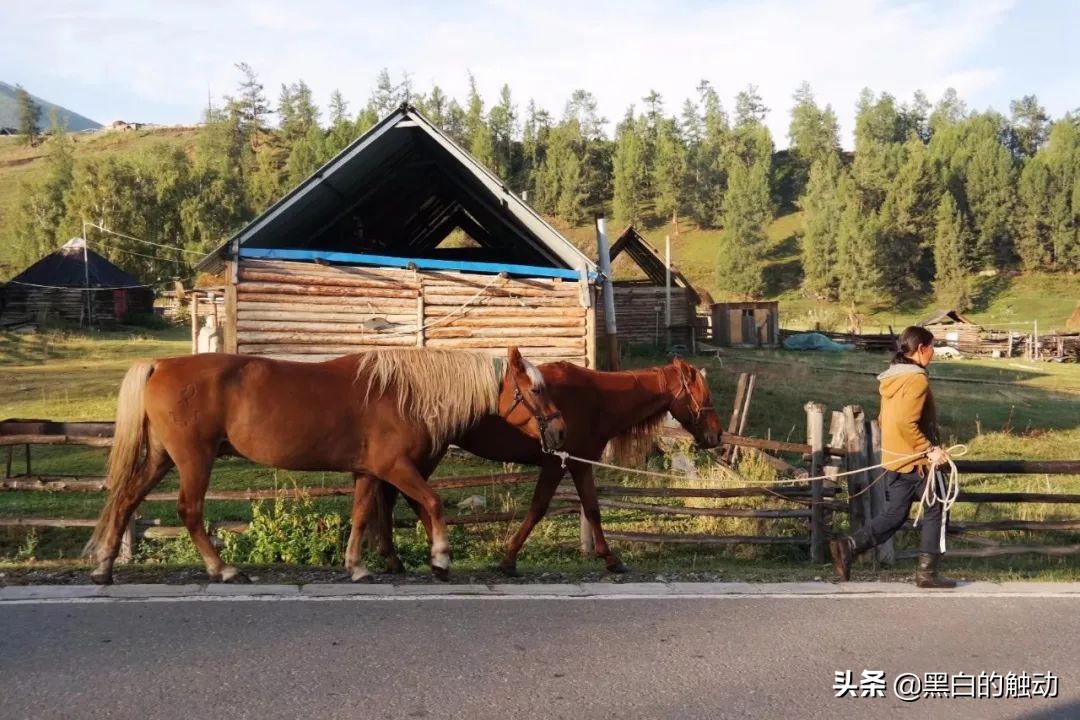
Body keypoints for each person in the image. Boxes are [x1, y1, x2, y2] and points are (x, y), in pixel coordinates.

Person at [830, 326, 956, 588]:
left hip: (897, 462)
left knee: (894, 516)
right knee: (938, 507)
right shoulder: (917, 379)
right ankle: (927, 573)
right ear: (921, 349)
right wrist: (929, 449)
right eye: (932, 347)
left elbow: (885, 420)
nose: (934, 352)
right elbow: (903, 423)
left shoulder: (892, 379)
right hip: (919, 462)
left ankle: (850, 546)